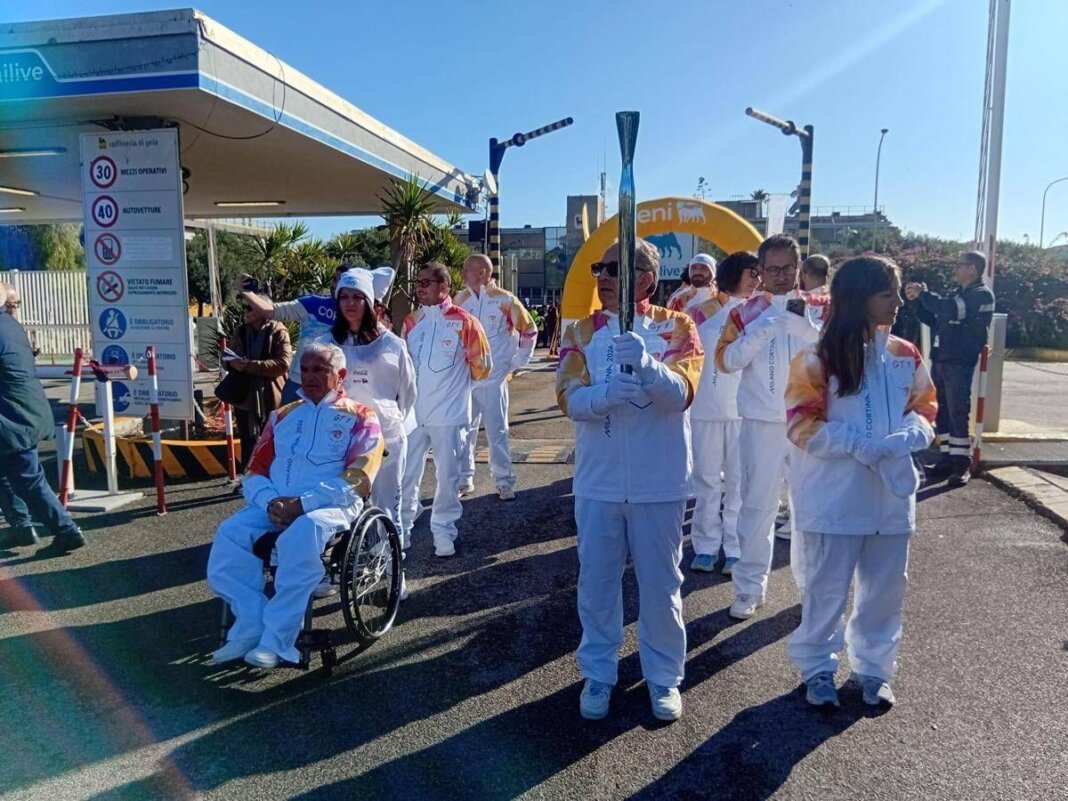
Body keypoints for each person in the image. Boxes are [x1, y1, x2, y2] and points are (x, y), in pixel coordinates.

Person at [556, 238, 703, 723]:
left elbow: (683, 393)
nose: (602, 276)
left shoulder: (677, 326)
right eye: (600, 268)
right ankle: (599, 672)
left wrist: (647, 366)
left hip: (659, 482)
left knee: (661, 586)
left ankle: (664, 676)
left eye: (614, 269)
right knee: (597, 583)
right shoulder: (580, 331)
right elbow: (567, 397)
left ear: (645, 278)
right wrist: (600, 397)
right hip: (598, 483)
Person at [785, 256, 936, 708]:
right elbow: (800, 424)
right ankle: (817, 668)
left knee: (886, 593)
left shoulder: (904, 354)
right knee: (825, 591)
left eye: (897, 292)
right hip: (835, 497)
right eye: (887, 294)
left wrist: (913, 433)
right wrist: (854, 444)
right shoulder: (817, 357)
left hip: (891, 497)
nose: (897, 302)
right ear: (858, 298)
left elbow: (925, 406)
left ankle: (873, 669)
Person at [207, 341, 384, 668]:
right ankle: (249, 627)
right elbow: (254, 471)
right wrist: (271, 501)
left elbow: (359, 477)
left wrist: (302, 504)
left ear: (341, 374)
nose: (310, 376)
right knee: (230, 535)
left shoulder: (361, 417)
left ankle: (276, 641)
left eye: (320, 369)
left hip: (328, 506)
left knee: (302, 533)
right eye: (305, 369)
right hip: (275, 503)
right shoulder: (282, 416)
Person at [715, 234, 827, 620]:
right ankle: (749, 587)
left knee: (810, 509)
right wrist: (761, 329)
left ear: (800, 267)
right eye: (772, 269)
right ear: (760, 271)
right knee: (756, 508)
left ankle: (812, 589)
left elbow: (841, 356)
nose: (781, 276)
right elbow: (725, 361)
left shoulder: (822, 308)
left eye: (788, 268)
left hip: (808, 422)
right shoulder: (744, 313)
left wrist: (806, 329)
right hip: (760, 424)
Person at [401, 263, 491, 557]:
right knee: (406, 474)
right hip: (413, 415)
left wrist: (456, 390)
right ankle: (402, 530)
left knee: (448, 477)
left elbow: (482, 367)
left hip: (449, 415)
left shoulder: (466, 322)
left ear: (444, 286)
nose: (420, 288)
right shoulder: (412, 322)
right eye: (418, 282)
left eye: (426, 282)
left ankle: (443, 531)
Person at [326, 268, 415, 542]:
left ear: (369, 301)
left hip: (386, 437)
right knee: (341, 508)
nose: (350, 304)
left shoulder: (392, 345)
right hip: (341, 439)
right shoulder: (326, 343)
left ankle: (391, 562)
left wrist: (388, 420)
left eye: (358, 297)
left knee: (387, 509)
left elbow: (408, 393)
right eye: (344, 297)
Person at [688, 251, 760, 575]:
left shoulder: (757, 313)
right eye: (752, 274)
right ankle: (705, 547)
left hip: (742, 410)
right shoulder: (699, 313)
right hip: (704, 408)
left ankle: (734, 547)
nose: (757, 280)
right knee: (706, 482)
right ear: (734, 275)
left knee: (737, 483)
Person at [0, 287, 85, 554]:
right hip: (22, 409)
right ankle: (21, 526)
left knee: (28, 478)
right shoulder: (10, 325)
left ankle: (66, 530)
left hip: (13, 415)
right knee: (6, 472)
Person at [905, 250, 995, 486]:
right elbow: (936, 319)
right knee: (942, 411)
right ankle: (946, 459)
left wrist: (924, 295)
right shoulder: (959, 294)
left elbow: (950, 309)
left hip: (959, 361)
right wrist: (917, 302)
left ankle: (961, 463)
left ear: (972, 269)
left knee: (957, 411)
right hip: (942, 360)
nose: (956, 268)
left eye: (960, 264)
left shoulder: (980, 295)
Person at [454, 254, 537, 501]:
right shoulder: (460, 300)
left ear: (482, 272)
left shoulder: (505, 300)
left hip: (493, 378)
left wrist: (517, 362)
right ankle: (464, 479)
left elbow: (529, 330)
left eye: (467, 269)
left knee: (497, 431)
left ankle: (503, 481)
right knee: (464, 430)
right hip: (467, 379)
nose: (463, 272)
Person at [239, 265, 348, 404]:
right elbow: (271, 310)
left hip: (333, 386)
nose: (335, 285)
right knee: (285, 419)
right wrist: (246, 292)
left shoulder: (356, 313)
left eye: (341, 280)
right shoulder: (313, 304)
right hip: (297, 384)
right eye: (334, 279)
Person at [226, 300, 292, 469]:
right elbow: (227, 357)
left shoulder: (278, 331)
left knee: (273, 440)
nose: (246, 311)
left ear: (263, 309)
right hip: (244, 396)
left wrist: (251, 365)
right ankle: (249, 477)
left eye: (250, 308)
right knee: (248, 440)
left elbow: (283, 363)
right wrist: (233, 363)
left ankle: (274, 475)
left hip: (270, 396)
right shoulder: (241, 331)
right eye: (245, 307)